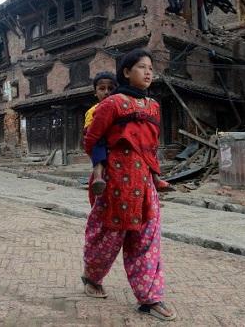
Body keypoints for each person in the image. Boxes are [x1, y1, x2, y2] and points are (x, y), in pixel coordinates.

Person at [81, 49, 176, 321]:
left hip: (144, 182)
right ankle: (92, 277)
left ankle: (150, 298)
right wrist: (102, 169)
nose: (148, 72)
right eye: (141, 67)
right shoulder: (111, 104)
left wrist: (154, 175)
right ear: (126, 72)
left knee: (147, 239)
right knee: (106, 238)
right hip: (115, 181)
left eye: (151, 68)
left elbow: (152, 145)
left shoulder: (154, 107)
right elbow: (92, 139)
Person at [84, 72, 118, 196]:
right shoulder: (92, 110)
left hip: (118, 141)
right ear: (95, 92)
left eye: (111, 88)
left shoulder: (121, 106)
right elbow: (89, 131)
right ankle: (98, 175)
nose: (107, 92)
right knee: (98, 143)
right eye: (102, 89)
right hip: (102, 141)